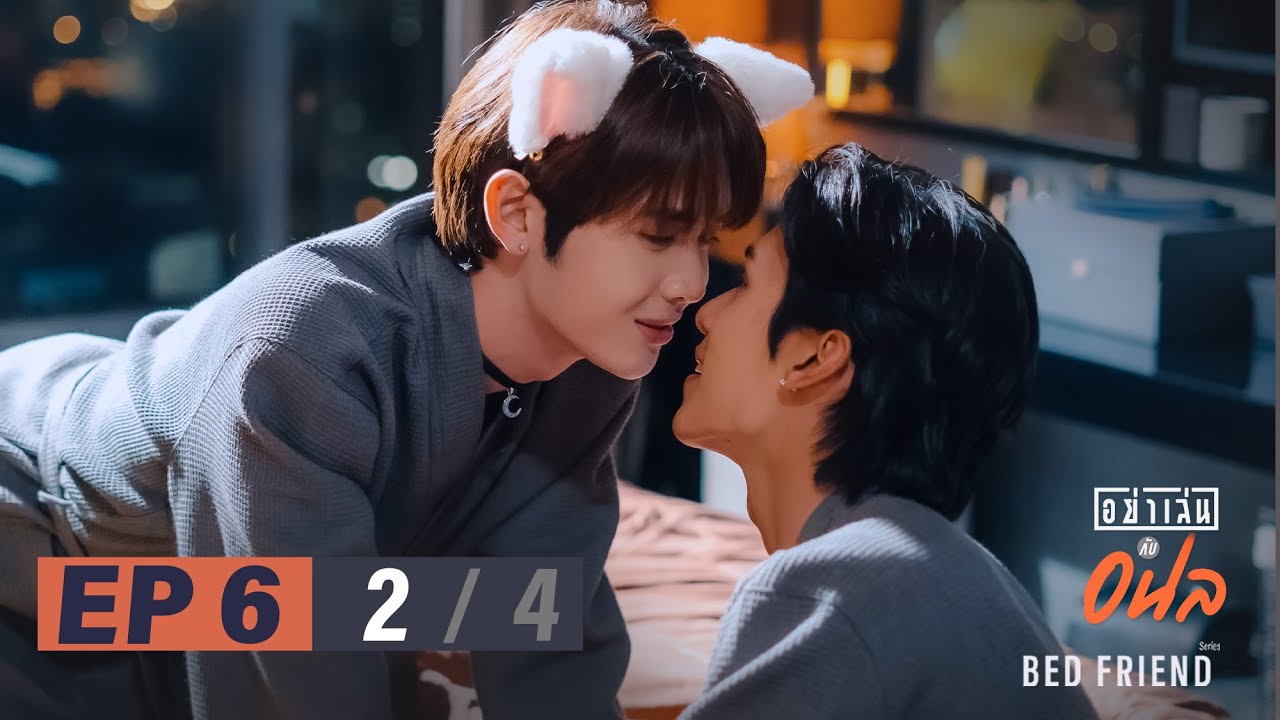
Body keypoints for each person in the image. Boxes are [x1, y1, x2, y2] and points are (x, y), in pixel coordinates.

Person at [0, 2, 812, 718]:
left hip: (202, 590)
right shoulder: (301, 352)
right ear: (515, 214)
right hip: (43, 541)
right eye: (659, 235)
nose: (692, 282)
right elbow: (292, 655)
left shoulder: (589, 360)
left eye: (704, 239)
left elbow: (548, 621)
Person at [670, 143, 1101, 719]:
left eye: (745, 283)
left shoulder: (826, 592)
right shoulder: (960, 579)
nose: (704, 312)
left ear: (814, 358)